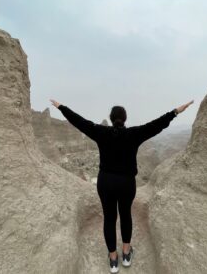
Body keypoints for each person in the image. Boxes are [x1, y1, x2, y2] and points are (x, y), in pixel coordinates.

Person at [50, 99, 194, 273]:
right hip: (126, 183)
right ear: (125, 119)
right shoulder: (134, 134)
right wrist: (176, 111)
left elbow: (79, 121)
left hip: (105, 182)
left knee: (109, 219)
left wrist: (61, 107)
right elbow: (157, 125)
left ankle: (113, 260)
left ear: (111, 119)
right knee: (125, 215)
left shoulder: (100, 132)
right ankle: (126, 254)